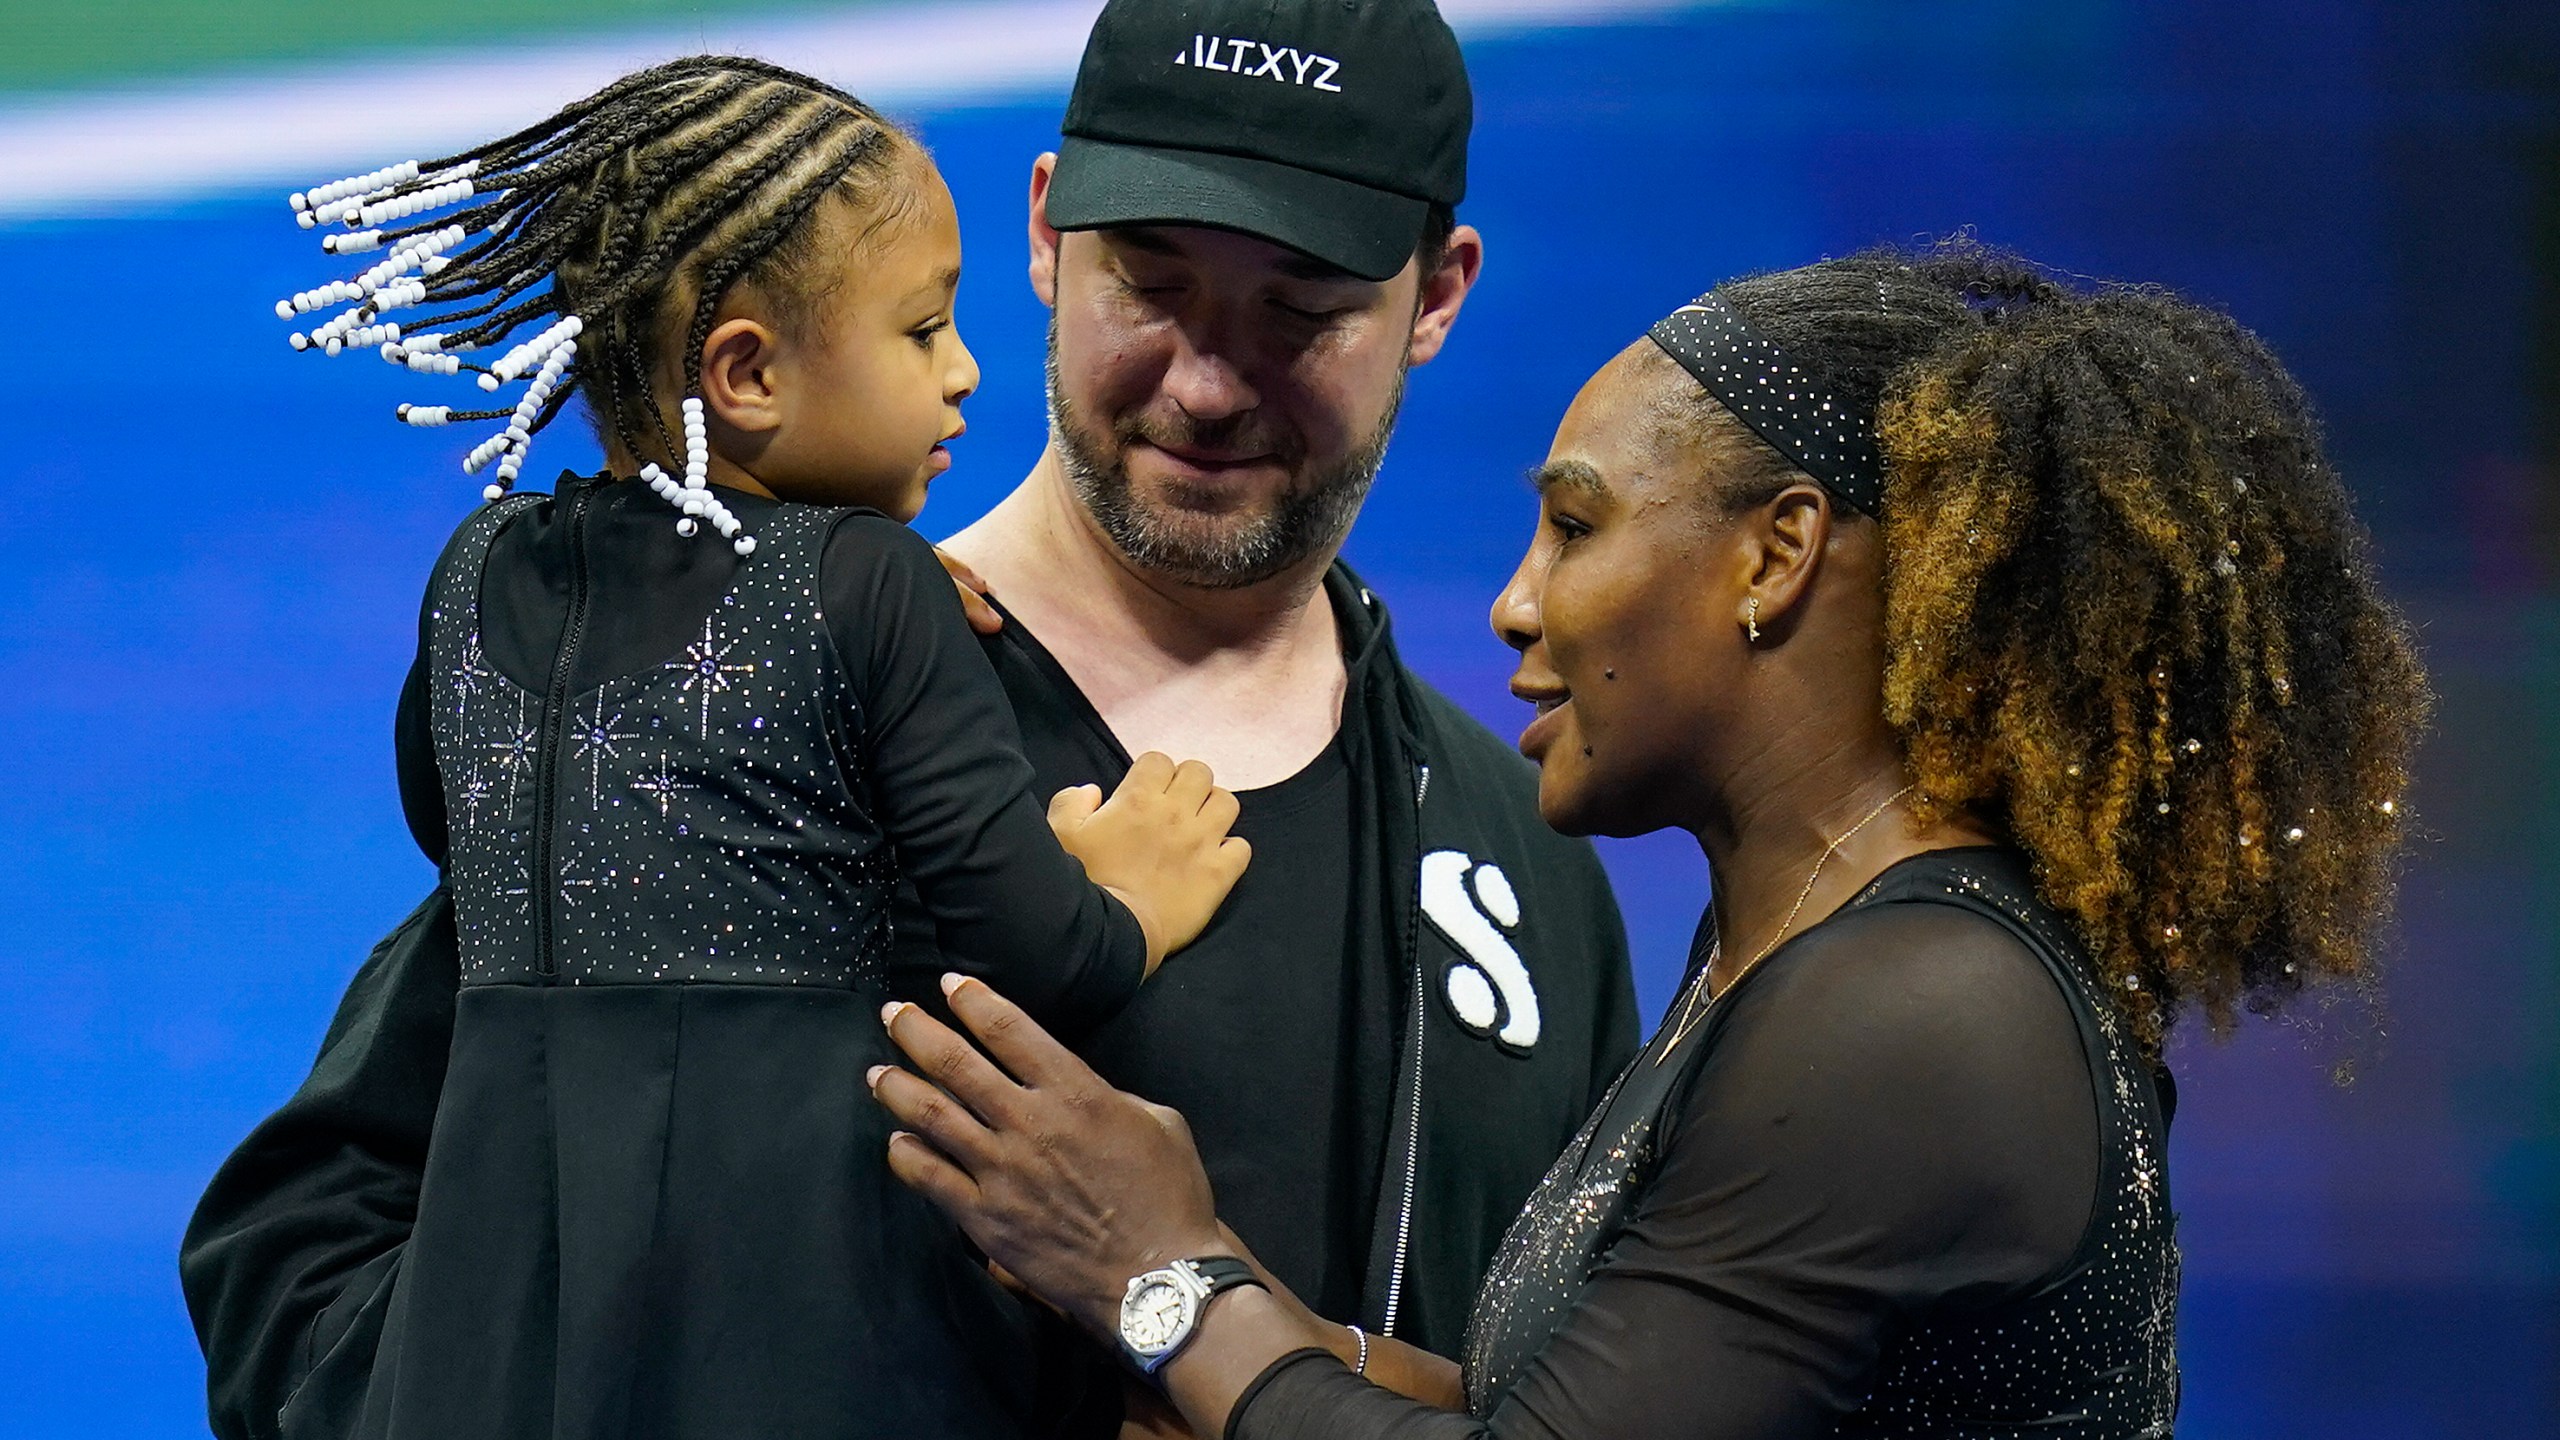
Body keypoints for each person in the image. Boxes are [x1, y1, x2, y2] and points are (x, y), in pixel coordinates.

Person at [181, 0, 1641, 1435]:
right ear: (1048, 234)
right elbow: (297, 1257)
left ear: (1435, 299)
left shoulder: (1525, 849)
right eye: (1152, 283)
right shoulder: (740, 700)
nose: (1205, 380)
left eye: (1300, 311)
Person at [867, 243, 2431, 1440]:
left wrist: (1158, 1273)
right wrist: (1236, 1332)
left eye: (1578, 523)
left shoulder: (1915, 1010)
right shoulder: (1811, 951)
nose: (1516, 602)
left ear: (1778, 554)